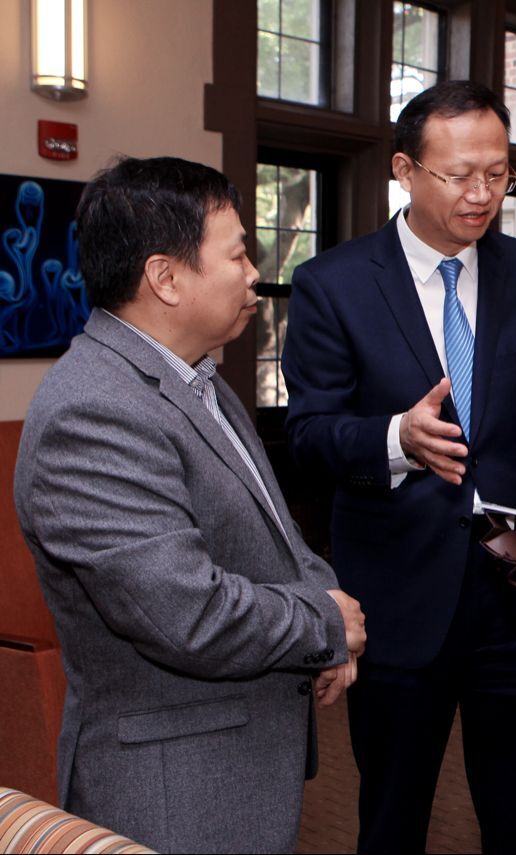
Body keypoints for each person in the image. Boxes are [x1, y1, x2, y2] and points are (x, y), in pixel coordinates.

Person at [13, 156, 366, 854]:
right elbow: (185, 613)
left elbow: (273, 530)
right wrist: (323, 622)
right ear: (165, 278)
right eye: (236, 255)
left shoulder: (194, 377)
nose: (253, 273)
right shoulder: (93, 412)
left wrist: (323, 607)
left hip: (233, 766)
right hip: (175, 794)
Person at [281, 80, 516, 854]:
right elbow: (308, 434)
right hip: (399, 597)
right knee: (392, 817)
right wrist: (396, 438)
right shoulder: (334, 283)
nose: (482, 194)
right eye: (459, 175)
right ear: (405, 170)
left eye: (499, 173)